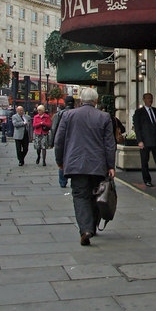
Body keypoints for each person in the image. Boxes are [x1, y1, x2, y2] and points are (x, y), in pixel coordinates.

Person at [54, 87, 116, 246]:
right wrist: (111, 165)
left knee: (80, 196)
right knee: (97, 194)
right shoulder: (104, 117)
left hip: (76, 164)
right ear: (96, 101)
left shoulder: (68, 115)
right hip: (97, 164)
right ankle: (92, 227)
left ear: (80, 100)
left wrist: (60, 160)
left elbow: (59, 140)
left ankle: (85, 229)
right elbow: (109, 144)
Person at [48, 96, 75, 187]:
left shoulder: (59, 114)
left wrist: (51, 142)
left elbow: (54, 128)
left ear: (65, 103)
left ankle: (63, 182)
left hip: (62, 140)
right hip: (75, 141)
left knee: (62, 162)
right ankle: (74, 181)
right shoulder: (78, 113)